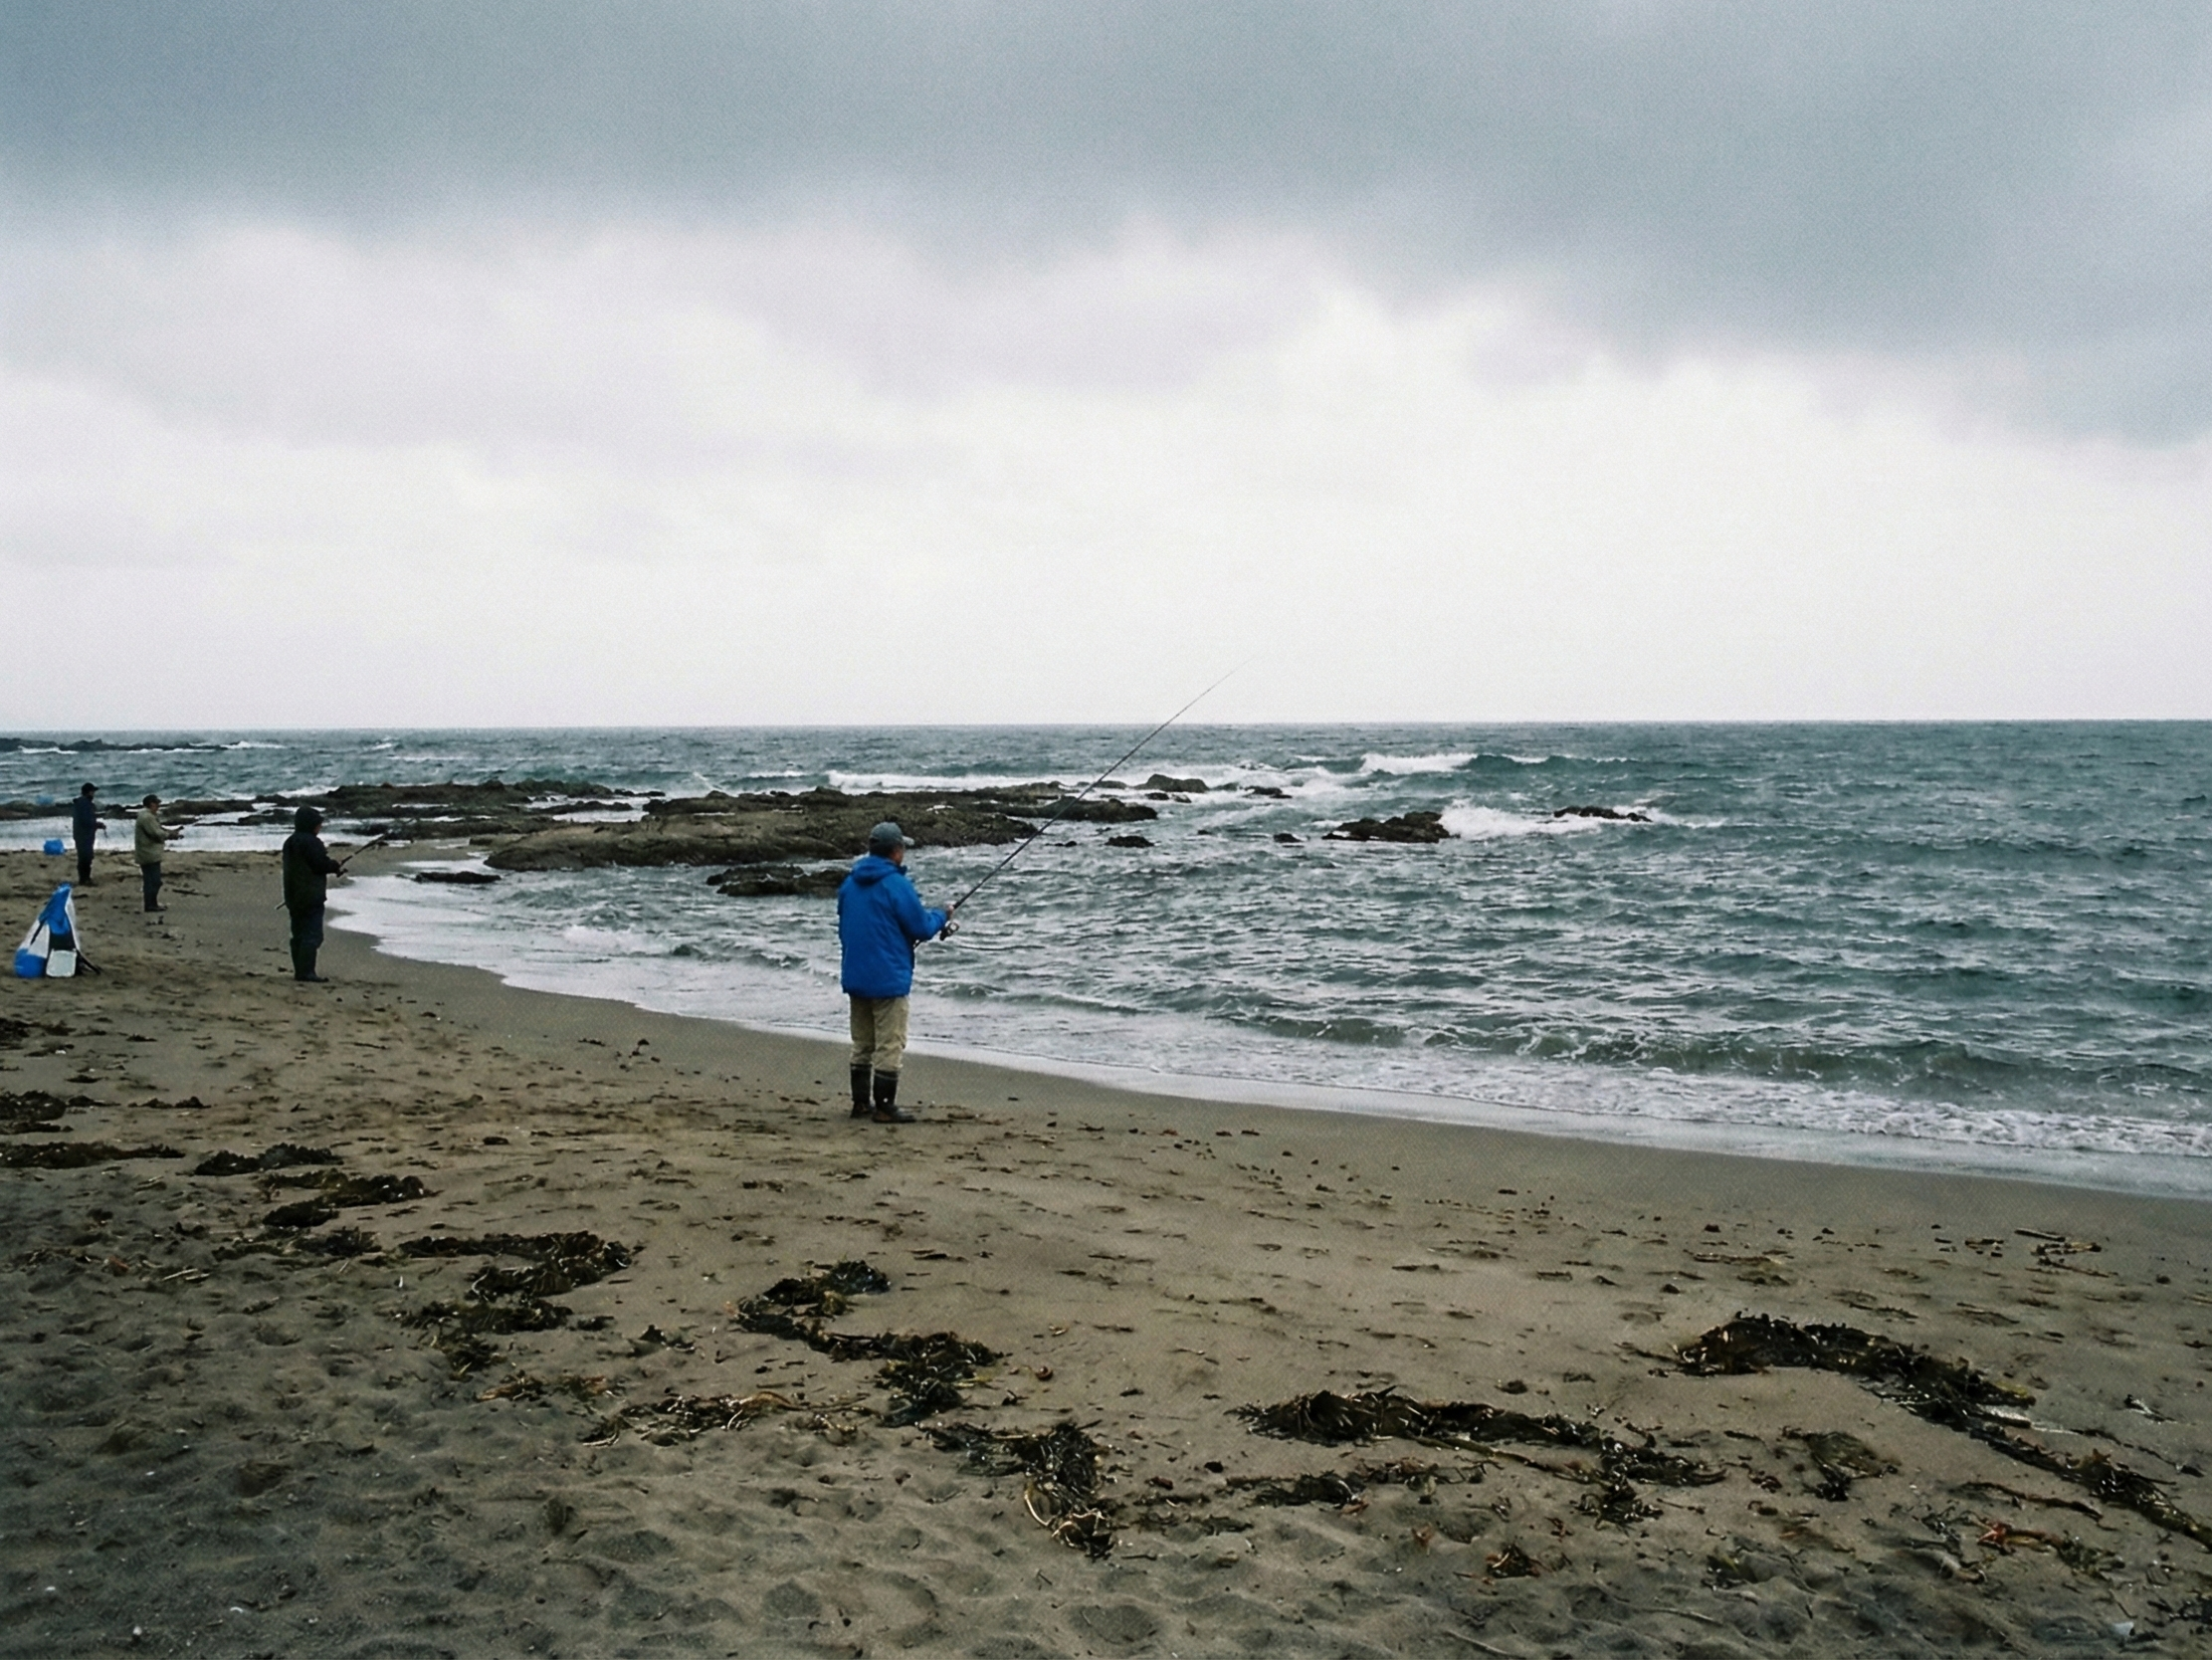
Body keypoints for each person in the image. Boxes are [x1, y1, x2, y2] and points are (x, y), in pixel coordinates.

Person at [836, 820, 955, 1124]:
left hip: (855, 974)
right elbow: (921, 927)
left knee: (862, 1043)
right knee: (890, 1043)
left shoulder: (849, 884)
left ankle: (861, 1103)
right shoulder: (897, 885)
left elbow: (847, 926)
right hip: (888, 978)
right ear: (896, 851)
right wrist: (942, 915)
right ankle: (885, 1107)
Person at [282, 805, 345, 982]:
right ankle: (306, 972)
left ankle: (300, 971)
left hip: (292, 895)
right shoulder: (312, 842)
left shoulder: (290, 842)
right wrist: (334, 865)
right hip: (310, 895)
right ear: (311, 824)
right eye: (318, 824)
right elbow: (319, 865)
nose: (320, 827)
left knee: (298, 934)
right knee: (312, 935)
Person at [133, 793, 179, 913]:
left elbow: (157, 830)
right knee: (154, 881)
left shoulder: (145, 815)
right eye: (157, 803)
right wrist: (170, 835)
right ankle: (150, 905)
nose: (158, 806)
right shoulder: (147, 817)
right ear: (151, 804)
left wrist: (169, 832)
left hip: (147, 853)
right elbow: (156, 833)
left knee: (151, 881)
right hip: (149, 854)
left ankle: (151, 904)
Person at [71, 783, 102, 884]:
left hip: (83, 834)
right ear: (88, 792)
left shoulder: (82, 803)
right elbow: (86, 821)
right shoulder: (84, 804)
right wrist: (97, 825)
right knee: (85, 856)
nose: (93, 794)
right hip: (83, 834)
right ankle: (84, 879)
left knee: (86, 856)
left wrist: (96, 825)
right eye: (92, 792)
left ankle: (85, 878)